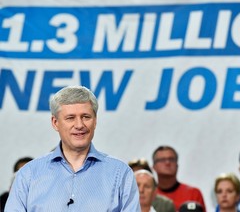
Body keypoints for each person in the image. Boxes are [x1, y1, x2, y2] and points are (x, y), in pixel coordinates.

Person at [5, 85, 140, 211]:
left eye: (86, 117)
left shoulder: (121, 174)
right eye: (70, 118)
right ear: (55, 122)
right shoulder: (28, 175)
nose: (79, 125)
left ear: (95, 121)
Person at [152, 145, 206, 211]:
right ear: (154, 166)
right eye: (162, 160)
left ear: (177, 165)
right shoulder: (147, 195)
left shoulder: (193, 193)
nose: (167, 163)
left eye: (171, 159)